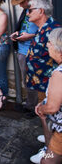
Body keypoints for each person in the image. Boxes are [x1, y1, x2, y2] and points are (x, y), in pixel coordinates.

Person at [25, 0, 61, 117]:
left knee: (50, 114)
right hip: (40, 83)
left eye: (30, 10)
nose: (27, 13)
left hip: (49, 84)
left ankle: (51, 135)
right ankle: (48, 134)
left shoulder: (53, 30)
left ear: (41, 11)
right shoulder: (42, 28)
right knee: (44, 115)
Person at [32, 28, 62, 164]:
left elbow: (52, 107)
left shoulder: (59, 74)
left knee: (48, 161)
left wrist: (41, 109)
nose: (47, 45)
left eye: (50, 42)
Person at [10, 0, 38, 91]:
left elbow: (45, 32)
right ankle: (31, 105)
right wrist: (18, 33)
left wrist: (30, 36)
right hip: (23, 51)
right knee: (27, 81)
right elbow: (25, 27)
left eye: (22, 2)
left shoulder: (39, 10)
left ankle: (33, 106)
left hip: (33, 52)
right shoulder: (26, 10)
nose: (20, 5)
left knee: (33, 82)